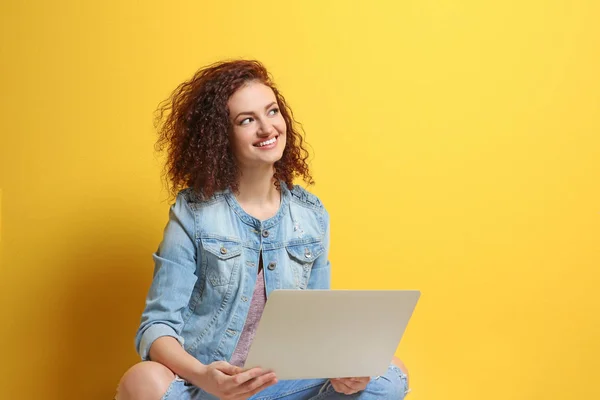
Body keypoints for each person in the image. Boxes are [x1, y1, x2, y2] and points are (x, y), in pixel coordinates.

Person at [116, 60, 411, 400]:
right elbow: (157, 328)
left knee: (390, 372)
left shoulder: (310, 215)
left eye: (272, 112)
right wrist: (205, 376)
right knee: (142, 379)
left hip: (286, 386)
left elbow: (319, 328)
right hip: (214, 390)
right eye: (247, 120)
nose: (267, 128)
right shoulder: (194, 213)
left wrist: (344, 371)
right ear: (220, 137)